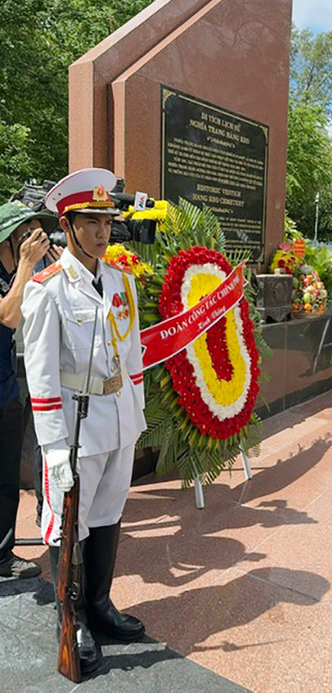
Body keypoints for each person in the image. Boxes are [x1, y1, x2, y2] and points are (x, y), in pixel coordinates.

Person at [25, 168, 149, 673]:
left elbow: (133, 354)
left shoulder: (120, 280)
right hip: (75, 431)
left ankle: (99, 604)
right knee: (66, 526)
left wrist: (136, 417)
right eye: (91, 221)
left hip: (118, 421)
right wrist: (53, 448)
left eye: (107, 221)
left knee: (107, 515)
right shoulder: (47, 288)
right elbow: (43, 373)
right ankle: (71, 618)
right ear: (68, 224)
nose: (103, 232)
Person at [0, 202, 55, 581]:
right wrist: (24, 266)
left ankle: (2, 555)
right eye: (29, 233)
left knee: (5, 479)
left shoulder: (27, 271)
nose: (36, 242)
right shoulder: (16, 270)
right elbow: (8, 316)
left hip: (6, 390)